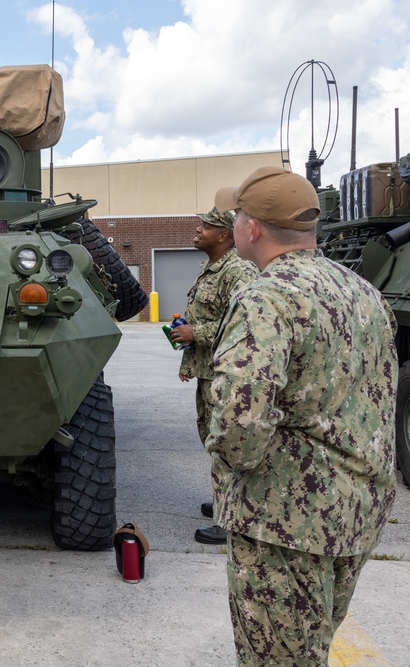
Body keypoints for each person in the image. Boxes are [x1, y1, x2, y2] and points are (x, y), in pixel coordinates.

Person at [206, 166, 397, 666]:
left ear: (251, 228)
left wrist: (233, 469)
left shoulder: (266, 297)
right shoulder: (365, 293)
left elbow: (238, 426)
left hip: (285, 518)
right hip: (355, 511)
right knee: (310, 648)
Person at [170, 206, 256, 546]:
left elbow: (246, 323)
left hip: (227, 374)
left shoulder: (239, 272)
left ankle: (232, 520)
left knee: (226, 443)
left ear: (224, 235)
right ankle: (226, 503)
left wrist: (197, 332)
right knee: (212, 439)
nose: (198, 230)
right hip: (209, 372)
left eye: (205, 226)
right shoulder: (211, 269)